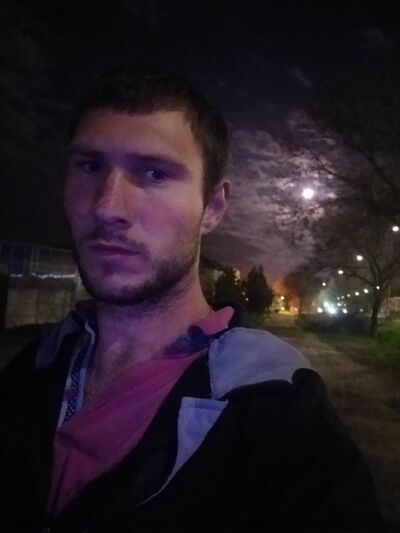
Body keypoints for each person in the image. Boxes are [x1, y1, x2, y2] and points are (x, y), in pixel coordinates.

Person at [0, 64, 386, 533]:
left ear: (213, 208)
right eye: (89, 166)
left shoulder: (279, 410)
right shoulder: (33, 368)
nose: (106, 207)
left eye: (154, 173)